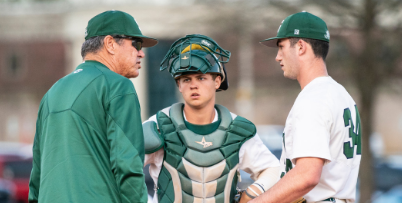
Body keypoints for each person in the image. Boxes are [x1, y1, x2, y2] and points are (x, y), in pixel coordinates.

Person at [28, 10, 158, 203]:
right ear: (110, 44)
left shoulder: (52, 93)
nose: (141, 53)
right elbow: (128, 166)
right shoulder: (118, 86)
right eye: (136, 44)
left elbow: (37, 174)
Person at [142, 34, 280, 203]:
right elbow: (123, 169)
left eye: (201, 78)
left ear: (217, 81)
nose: (193, 85)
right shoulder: (159, 125)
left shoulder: (237, 129)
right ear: (179, 85)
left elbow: (273, 170)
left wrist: (252, 194)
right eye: (186, 79)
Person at [251, 12, 362, 203]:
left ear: (301, 47)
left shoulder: (314, 99)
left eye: (281, 47)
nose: (278, 57)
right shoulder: (341, 94)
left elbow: (306, 176)